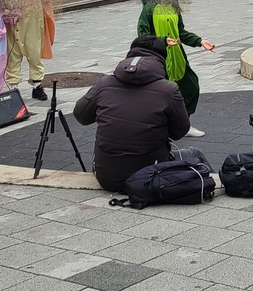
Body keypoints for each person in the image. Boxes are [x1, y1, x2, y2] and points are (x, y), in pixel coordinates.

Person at [74, 36, 190, 192]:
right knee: (195, 154)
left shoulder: (105, 83)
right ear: (162, 59)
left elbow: (81, 116)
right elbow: (179, 132)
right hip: (150, 177)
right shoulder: (169, 90)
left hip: (107, 177)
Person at [137, 0, 215, 138]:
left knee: (191, 86)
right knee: (160, 95)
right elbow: (143, 35)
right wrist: (162, 40)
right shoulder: (149, 7)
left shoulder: (174, 6)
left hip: (177, 56)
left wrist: (199, 41)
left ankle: (184, 126)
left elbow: (181, 32)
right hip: (158, 57)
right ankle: (159, 129)